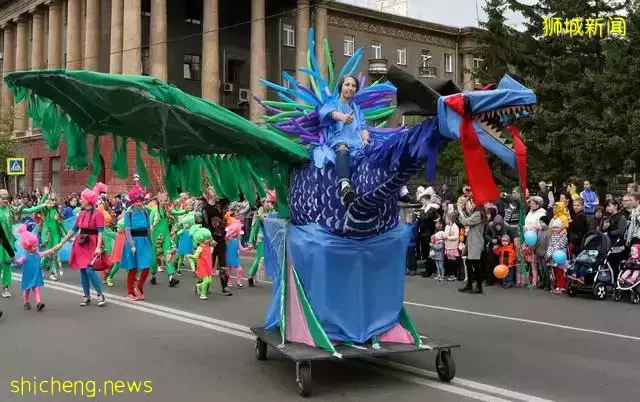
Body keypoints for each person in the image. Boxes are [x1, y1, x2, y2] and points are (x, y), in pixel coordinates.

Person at [315, 75, 370, 206]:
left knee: (378, 151)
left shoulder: (356, 109)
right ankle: (345, 186)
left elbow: (363, 127)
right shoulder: (332, 103)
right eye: (347, 85)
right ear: (341, 87)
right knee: (342, 149)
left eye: (353, 86)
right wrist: (342, 117)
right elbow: (327, 113)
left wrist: (365, 139)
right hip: (339, 140)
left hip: (357, 144)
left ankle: (401, 191)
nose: (350, 88)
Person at [54, 188, 108, 307]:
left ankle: (100, 295)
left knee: (89, 268)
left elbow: (100, 232)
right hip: (81, 243)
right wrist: (61, 243)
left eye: (83, 199)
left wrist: (98, 247)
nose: (80, 201)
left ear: (89, 201)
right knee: (83, 269)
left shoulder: (98, 214)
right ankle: (86, 296)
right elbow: (73, 230)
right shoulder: (81, 214)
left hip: (93, 243)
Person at [14, 225, 57, 311]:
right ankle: (26, 302)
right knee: (27, 290)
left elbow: (45, 252)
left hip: (36, 275)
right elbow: (19, 262)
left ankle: (38, 303)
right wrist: (15, 260)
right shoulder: (25, 256)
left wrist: (52, 250)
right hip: (28, 276)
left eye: (37, 245)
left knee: (36, 289)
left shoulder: (38, 254)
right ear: (28, 247)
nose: (36, 247)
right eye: (34, 246)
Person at [458, 201, 487, 294]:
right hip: (472, 242)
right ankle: (470, 285)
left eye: (473, 203)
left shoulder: (478, 214)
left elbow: (466, 222)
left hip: (475, 242)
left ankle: (478, 286)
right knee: (469, 263)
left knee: (475, 265)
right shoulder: (476, 213)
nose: (471, 204)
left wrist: (460, 212)